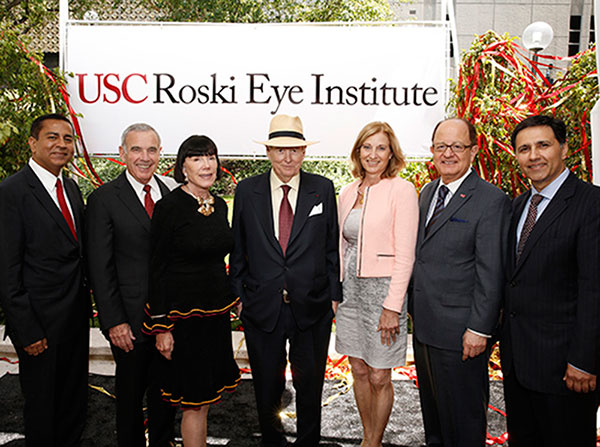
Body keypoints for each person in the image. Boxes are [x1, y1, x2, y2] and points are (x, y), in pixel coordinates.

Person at [230, 114, 341, 447]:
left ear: (304, 153)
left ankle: (308, 441)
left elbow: (331, 246)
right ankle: (272, 441)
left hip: (313, 305)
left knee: (310, 384)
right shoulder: (247, 191)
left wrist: (334, 295)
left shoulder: (322, 188)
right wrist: (237, 293)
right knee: (266, 384)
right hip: (262, 305)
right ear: (268, 153)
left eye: (294, 150)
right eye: (280, 150)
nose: (287, 157)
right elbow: (238, 247)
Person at [408, 117, 511, 447]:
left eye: (457, 146)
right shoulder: (426, 192)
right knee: (435, 419)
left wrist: (480, 329)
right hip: (425, 328)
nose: (448, 153)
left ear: (473, 150)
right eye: (441, 146)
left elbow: (491, 271)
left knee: (463, 422)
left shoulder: (490, 199)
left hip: (462, 334)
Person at [501, 115, 600, 447]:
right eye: (524, 149)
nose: (533, 156)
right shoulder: (517, 207)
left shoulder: (592, 204)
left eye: (543, 145)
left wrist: (584, 360)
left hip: (567, 371)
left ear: (565, 148)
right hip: (519, 366)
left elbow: (594, 287)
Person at [143, 135, 240, 447]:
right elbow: (156, 270)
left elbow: (214, 262)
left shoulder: (220, 204)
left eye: (211, 156)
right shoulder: (168, 207)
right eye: (197, 158)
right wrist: (161, 327)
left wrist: (234, 299)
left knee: (206, 400)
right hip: (183, 324)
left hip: (214, 320)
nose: (207, 164)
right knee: (194, 403)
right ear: (182, 166)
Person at [0, 113, 90, 446]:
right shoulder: (12, 192)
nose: (61, 145)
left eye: (67, 139)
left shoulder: (70, 186)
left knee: (72, 401)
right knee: (42, 406)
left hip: (74, 318)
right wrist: (27, 329)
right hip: (40, 325)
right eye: (52, 137)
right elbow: (7, 268)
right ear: (32, 143)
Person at [85, 123, 176, 446]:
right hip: (129, 323)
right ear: (122, 153)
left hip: (169, 319)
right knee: (130, 399)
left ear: (160, 153)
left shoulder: (170, 194)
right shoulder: (104, 199)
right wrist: (114, 321)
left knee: (166, 396)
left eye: (151, 150)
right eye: (136, 149)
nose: (144, 157)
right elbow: (100, 266)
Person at [335, 121, 418, 447]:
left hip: (384, 293)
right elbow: (341, 246)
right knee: (358, 369)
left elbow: (406, 255)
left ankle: (373, 441)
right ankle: (369, 438)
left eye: (381, 148)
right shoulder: (347, 191)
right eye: (367, 147)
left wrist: (392, 306)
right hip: (350, 294)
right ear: (358, 152)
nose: (373, 154)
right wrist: (336, 294)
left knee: (381, 374)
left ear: (391, 153)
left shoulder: (402, 189)